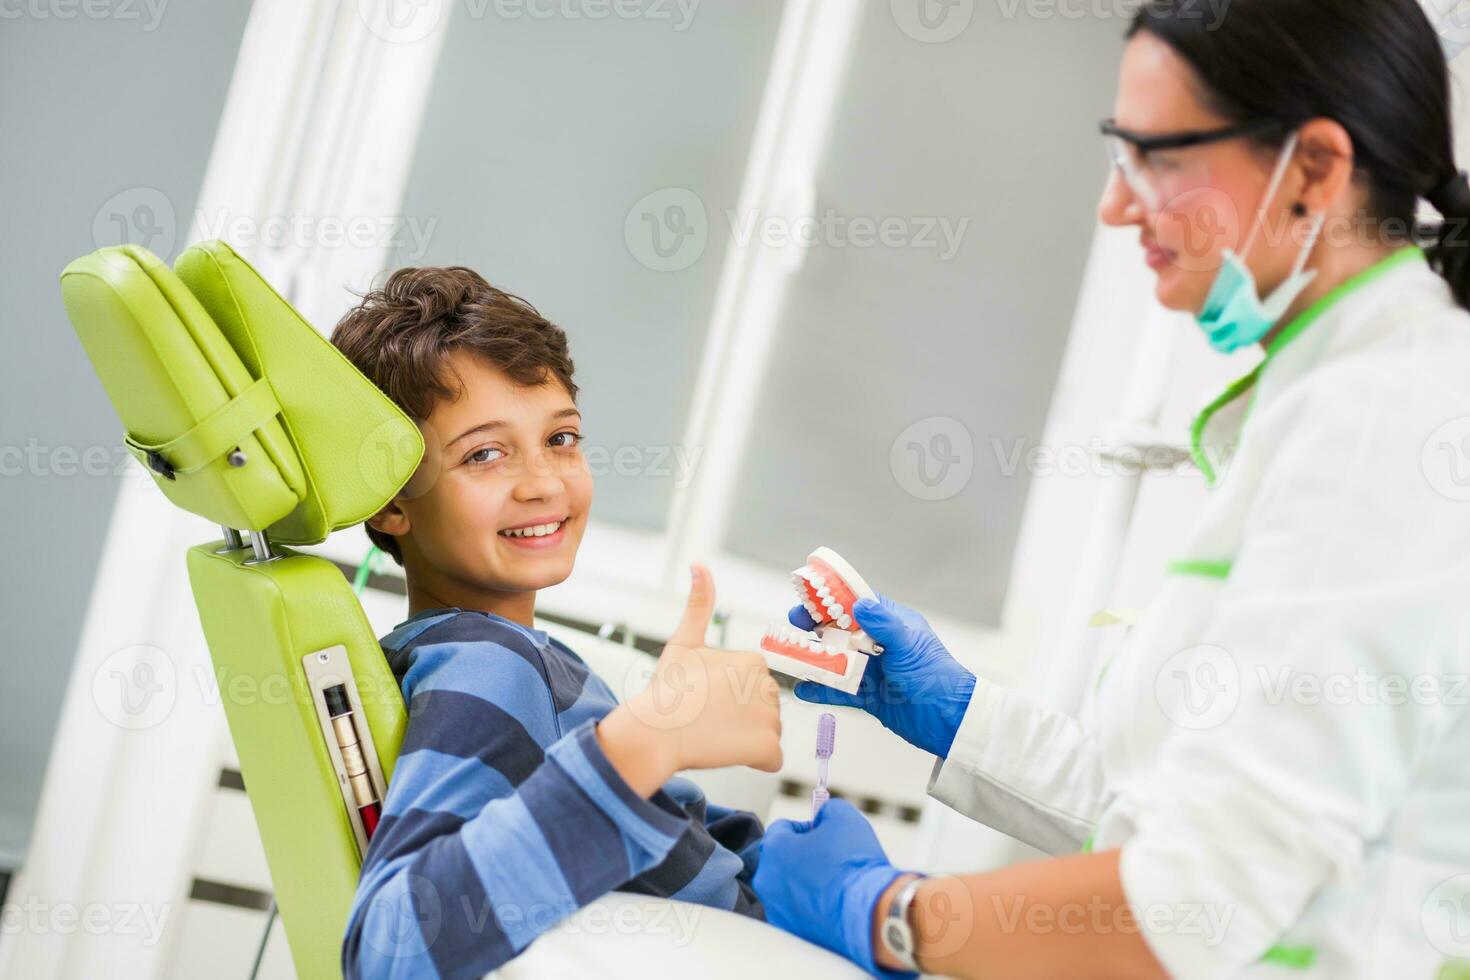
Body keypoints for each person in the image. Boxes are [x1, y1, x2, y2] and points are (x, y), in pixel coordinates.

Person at [753, 1, 1470, 976]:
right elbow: (1174, 806)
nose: (1117, 205)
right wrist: (955, 708)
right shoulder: (1325, 400)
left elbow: (1199, 900)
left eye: (1158, 157)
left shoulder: (1390, 419)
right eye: (1118, 154)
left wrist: (888, 911)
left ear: (1313, 171)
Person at [329, 267, 782, 978]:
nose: (543, 482)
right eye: (484, 453)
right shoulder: (489, 667)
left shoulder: (511, 657)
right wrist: (647, 739)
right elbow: (392, 950)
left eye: (562, 438)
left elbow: (674, 830)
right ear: (390, 501)